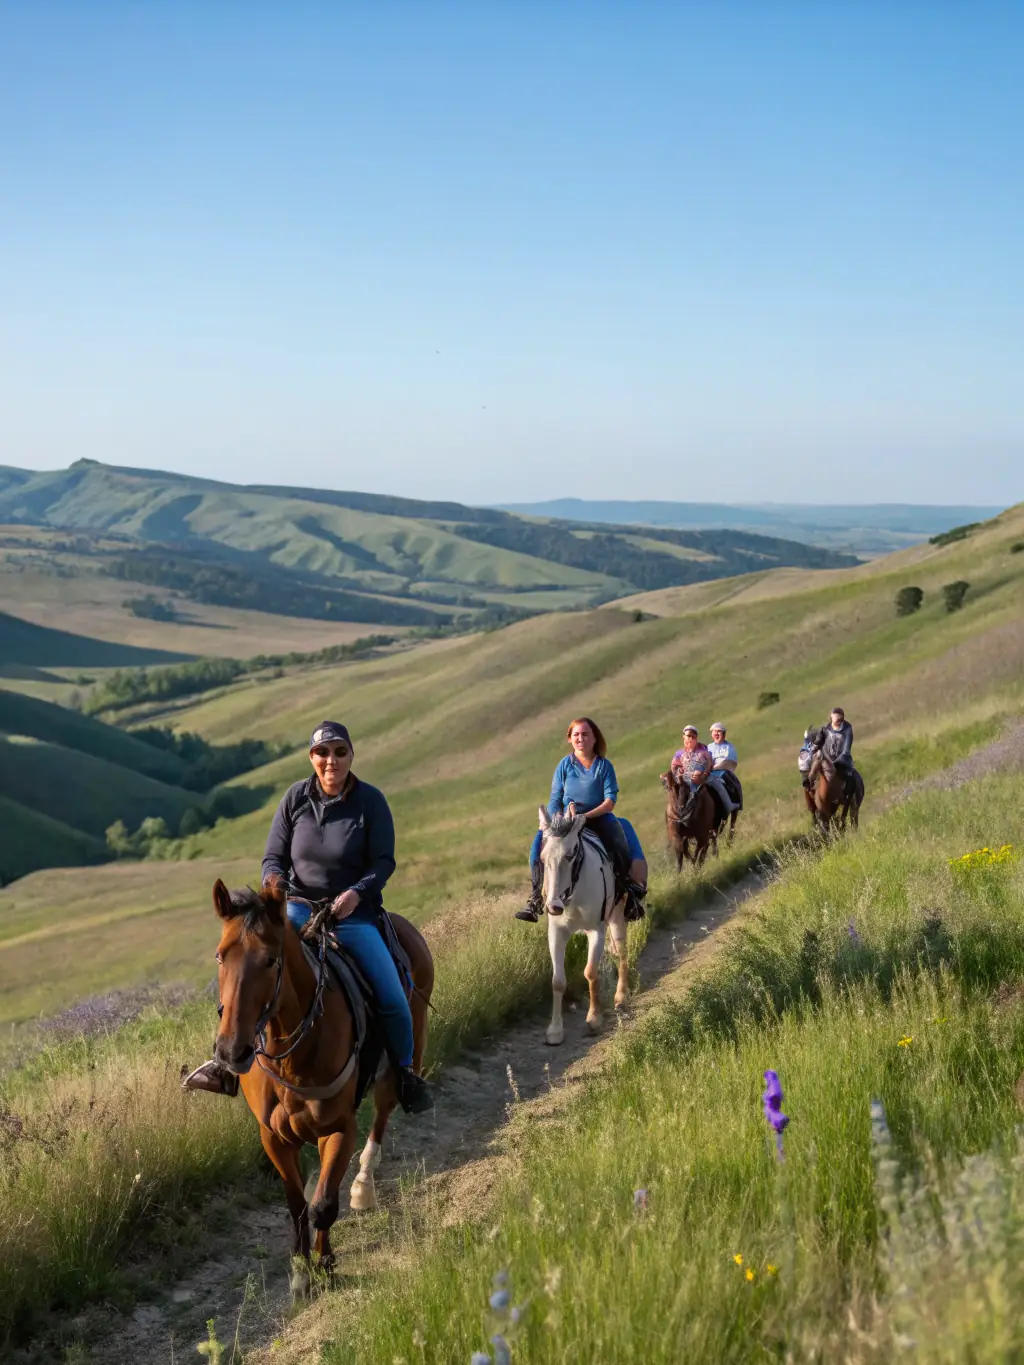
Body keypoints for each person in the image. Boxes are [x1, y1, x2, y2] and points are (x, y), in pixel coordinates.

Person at [182, 721, 433, 1115]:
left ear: (351, 755)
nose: (331, 760)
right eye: (322, 753)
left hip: (352, 914)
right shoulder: (295, 799)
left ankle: (404, 1074)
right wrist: (276, 885)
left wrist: (355, 894)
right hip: (296, 909)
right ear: (311, 758)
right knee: (247, 968)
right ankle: (226, 1065)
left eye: (339, 752)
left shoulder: (371, 802)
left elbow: (384, 861)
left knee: (392, 997)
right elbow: (272, 858)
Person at [516, 716, 645, 922]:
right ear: (569, 739)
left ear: (594, 738)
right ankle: (536, 899)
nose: (580, 738)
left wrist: (585, 816)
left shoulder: (604, 766)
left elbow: (610, 800)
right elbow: (555, 798)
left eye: (585, 734)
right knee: (538, 847)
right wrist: (558, 818)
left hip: (598, 818)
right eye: (576, 734)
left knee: (618, 843)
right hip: (566, 821)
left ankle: (628, 893)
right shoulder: (564, 765)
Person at [669, 725, 713, 817]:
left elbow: (709, 764)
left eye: (693, 737)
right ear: (683, 737)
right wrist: (678, 773)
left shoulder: (703, 751)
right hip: (683, 777)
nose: (690, 739)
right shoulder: (679, 753)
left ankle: (690, 805)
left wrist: (704, 774)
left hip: (698, 777)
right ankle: (676, 811)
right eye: (688, 736)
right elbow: (674, 766)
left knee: (694, 781)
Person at [706, 722, 739, 815]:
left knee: (729, 785)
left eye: (719, 731)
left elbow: (730, 762)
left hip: (723, 772)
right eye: (714, 731)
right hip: (710, 772)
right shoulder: (708, 747)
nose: (716, 733)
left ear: (724, 734)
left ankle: (730, 805)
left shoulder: (729, 747)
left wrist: (717, 767)